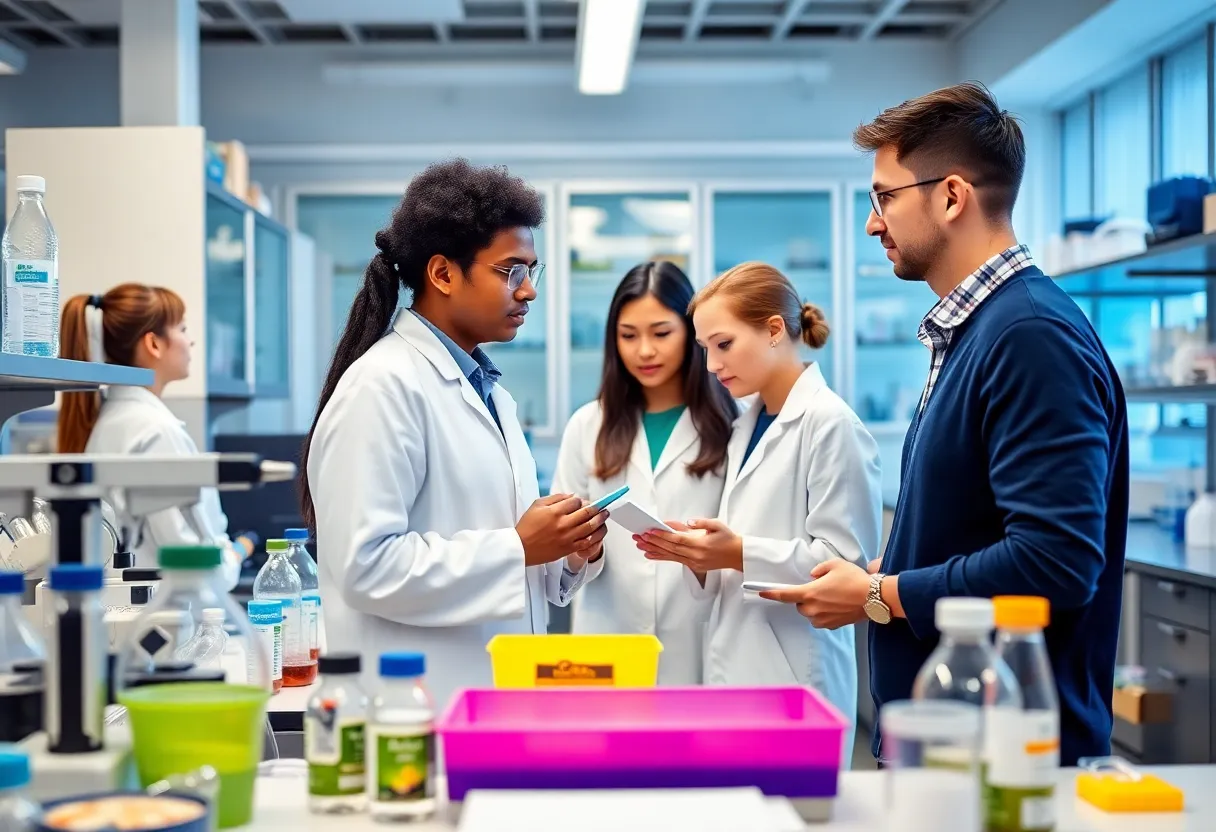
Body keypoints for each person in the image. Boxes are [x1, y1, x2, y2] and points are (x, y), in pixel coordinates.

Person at [761, 82, 1129, 767]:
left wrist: (880, 594)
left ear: (952, 196)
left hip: (1005, 757)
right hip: (955, 745)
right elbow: (982, 523)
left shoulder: (1029, 336)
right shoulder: (980, 332)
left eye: (885, 198)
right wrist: (892, 567)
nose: (874, 224)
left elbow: (1054, 561)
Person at [301, 159, 609, 709]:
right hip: (416, 713)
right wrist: (517, 546)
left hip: (495, 701)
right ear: (443, 274)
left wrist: (565, 554)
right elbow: (365, 568)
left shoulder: (489, 392)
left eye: (532, 272)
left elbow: (504, 556)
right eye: (511, 271)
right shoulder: (382, 387)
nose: (529, 292)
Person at [635, 261, 882, 757]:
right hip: (734, 662)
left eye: (723, 345)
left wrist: (736, 552)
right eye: (705, 349)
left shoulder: (831, 424)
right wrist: (701, 555)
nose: (710, 365)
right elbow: (743, 549)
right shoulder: (746, 424)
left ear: (774, 330)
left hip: (797, 672)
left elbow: (846, 569)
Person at [551, 261, 737, 684]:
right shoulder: (588, 425)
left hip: (697, 642)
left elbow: (742, 546)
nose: (644, 351)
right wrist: (583, 548)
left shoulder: (732, 425)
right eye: (628, 336)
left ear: (692, 334)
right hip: (607, 641)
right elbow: (563, 565)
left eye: (661, 333)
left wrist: (702, 554)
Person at [58, 284, 256, 590]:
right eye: (182, 328)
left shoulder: (112, 421)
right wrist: (235, 554)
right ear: (154, 344)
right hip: (170, 621)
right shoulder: (155, 431)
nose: (190, 340)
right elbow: (198, 565)